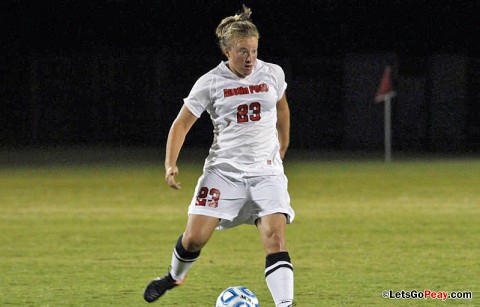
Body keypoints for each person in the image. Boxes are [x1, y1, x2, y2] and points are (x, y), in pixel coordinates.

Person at [143, 5, 295, 306]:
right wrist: (170, 164)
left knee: (275, 238)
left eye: (253, 50)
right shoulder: (210, 82)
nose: (249, 57)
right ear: (227, 50)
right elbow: (182, 123)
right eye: (242, 51)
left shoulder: (273, 73)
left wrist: (283, 143)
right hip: (223, 172)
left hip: (266, 172)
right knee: (194, 238)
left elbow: (282, 108)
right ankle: (173, 277)